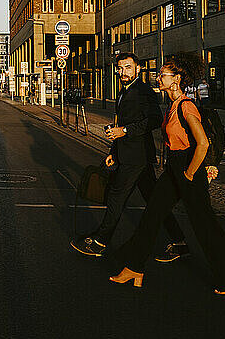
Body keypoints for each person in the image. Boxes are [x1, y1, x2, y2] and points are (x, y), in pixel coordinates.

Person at [109, 53, 225, 295]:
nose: (158, 77)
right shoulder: (172, 105)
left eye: (163, 74)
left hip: (187, 168)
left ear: (176, 79)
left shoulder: (186, 105)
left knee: (204, 224)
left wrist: (191, 174)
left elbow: (202, 143)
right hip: (175, 167)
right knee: (152, 215)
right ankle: (133, 267)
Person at [70, 52, 186, 257]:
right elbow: (122, 123)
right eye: (120, 68)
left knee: (116, 197)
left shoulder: (142, 91)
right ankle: (179, 241)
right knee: (155, 201)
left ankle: (100, 242)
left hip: (136, 156)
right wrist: (113, 150)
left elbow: (154, 119)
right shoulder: (125, 90)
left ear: (138, 69)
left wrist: (123, 131)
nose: (123, 72)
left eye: (128, 67)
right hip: (130, 154)